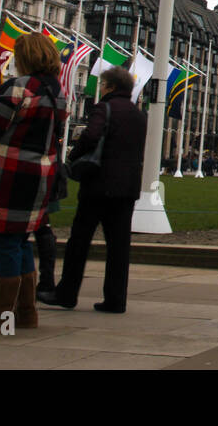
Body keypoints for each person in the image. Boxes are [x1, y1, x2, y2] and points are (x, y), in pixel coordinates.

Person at [0, 32, 67, 335]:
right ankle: (26, 312)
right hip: (41, 176)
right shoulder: (55, 93)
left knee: (6, 242)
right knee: (20, 241)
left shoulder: (16, 89)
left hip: (10, 174)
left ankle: (0, 318)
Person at [39, 66, 147, 314]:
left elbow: (91, 136)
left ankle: (67, 293)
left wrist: (74, 156)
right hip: (127, 188)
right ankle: (115, 299)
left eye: (102, 85)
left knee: (79, 242)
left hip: (99, 185)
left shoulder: (104, 108)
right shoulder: (139, 115)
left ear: (110, 87)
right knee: (119, 246)